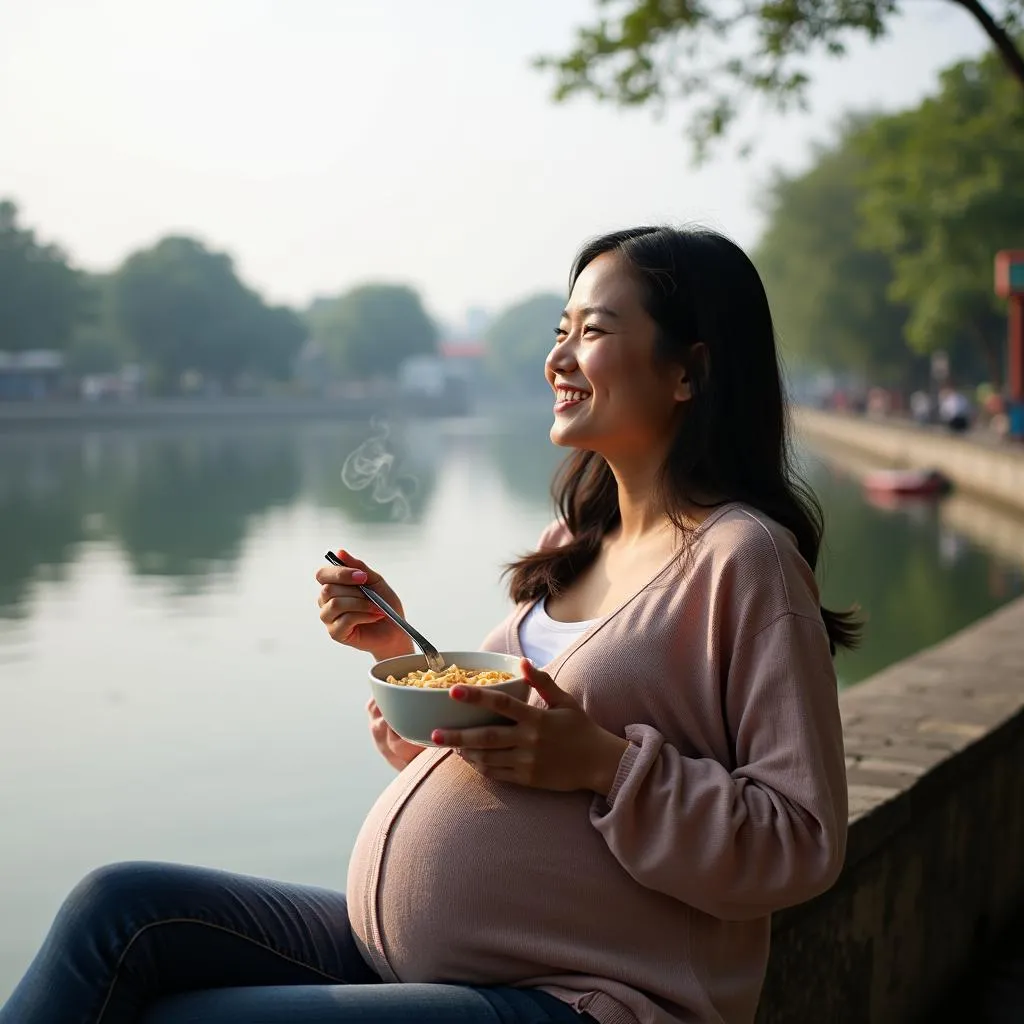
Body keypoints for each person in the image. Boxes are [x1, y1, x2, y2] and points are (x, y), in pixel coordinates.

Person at [0, 226, 857, 1024]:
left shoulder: (745, 560)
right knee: (118, 911)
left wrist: (603, 762)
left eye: (591, 331)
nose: (557, 356)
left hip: (582, 998)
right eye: (559, 330)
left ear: (688, 370)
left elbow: (801, 843)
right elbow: (508, 751)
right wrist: (397, 648)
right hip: (423, 959)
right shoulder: (573, 543)